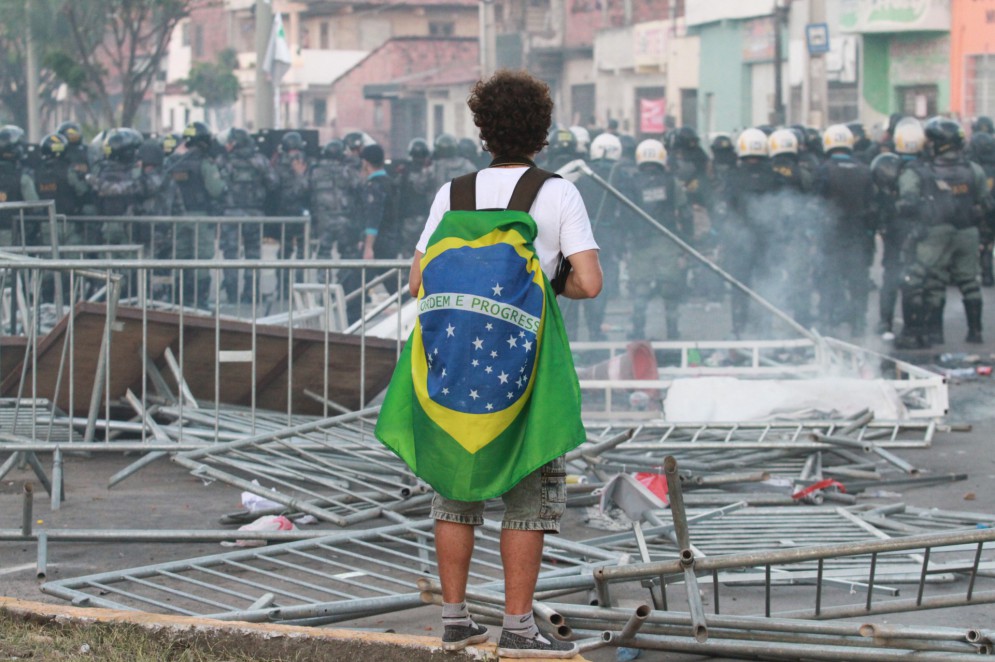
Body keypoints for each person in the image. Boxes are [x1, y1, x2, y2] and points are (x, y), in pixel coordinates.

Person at [405, 69, 601, 659]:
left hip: (457, 361)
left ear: (483, 130)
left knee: (454, 489)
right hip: (526, 365)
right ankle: (519, 625)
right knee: (528, 486)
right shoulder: (558, 192)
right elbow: (588, 282)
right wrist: (543, 280)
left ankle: (456, 617)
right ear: (542, 133)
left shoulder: (453, 193)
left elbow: (417, 278)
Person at [813, 124, 876, 337]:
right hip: (858, 233)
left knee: (830, 279)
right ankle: (859, 324)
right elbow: (872, 204)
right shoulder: (865, 170)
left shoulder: (824, 170)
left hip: (832, 234)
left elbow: (817, 203)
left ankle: (827, 322)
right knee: (858, 281)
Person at [627, 138, 692, 340]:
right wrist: (687, 241)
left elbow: (625, 215)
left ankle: (638, 331)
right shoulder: (672, 182)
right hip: (667, 240)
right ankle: (672, 332)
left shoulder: (631, 183)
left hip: (640, 244)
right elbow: (685, 213)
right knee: (669, 288)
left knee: (641, 289)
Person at [218, 127, 278, 303]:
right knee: (253, 254)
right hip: (254, 213)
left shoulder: (223, 160)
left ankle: (231, 294)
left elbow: (215, 186)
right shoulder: (259, 160)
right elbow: (273, 182)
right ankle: (251, 294)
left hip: (231, 213)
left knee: (230, 255)